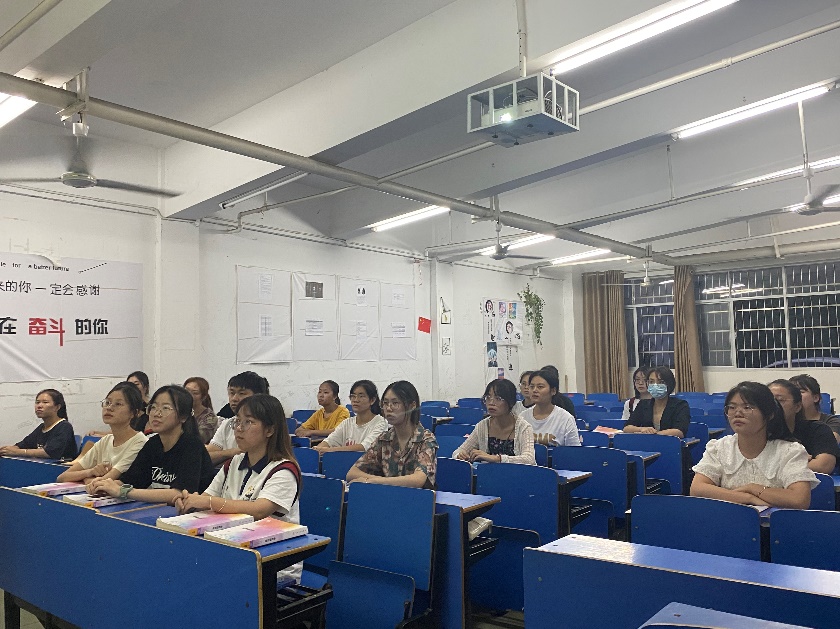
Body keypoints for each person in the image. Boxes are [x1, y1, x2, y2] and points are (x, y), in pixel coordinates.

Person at [175, 394, 302, 583]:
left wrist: (207, 502)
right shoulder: (234, 462)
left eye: (248, 422)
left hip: (272, 564)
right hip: (233, 550)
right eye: (237, 422)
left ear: (270, 430)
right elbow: (207, 497)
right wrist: (190, 502)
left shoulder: (283, 470)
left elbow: (259, 510)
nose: (239, 429)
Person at [691, 381, 816, 509]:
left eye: (747, 407)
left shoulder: (790, 451)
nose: (737, 413)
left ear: (769, 415)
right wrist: (747, 498)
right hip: (729, 519)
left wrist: (754, 489)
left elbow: (799, 499)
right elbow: (697, 489)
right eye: (732, 407)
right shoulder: (719, 447)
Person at [88, 385, 215, 504]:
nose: (157, 413)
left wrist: (124, 491)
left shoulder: (192, 446)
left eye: (165, 408)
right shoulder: (153, 444)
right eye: (153, 407)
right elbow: (131, 481)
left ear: (183, 417)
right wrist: (104, 485)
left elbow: (179, 493)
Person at [347, 380, 438, 488]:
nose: (388, 408)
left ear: (412, 406)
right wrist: (379, 481)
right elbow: (352, 473)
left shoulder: (426, 439)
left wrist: (373, 481)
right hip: (387, 496)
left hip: (415, 497)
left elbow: (418, 480)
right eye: (385, 403)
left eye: (395, 403)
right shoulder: (383, 439)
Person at [57, 382, 148, 483]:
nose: (109, 408)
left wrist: (86, 479)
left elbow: (102, 482)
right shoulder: (105, 441)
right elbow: (62, 477)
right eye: (107, 402)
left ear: (134, 413)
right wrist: (90, 472)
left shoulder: (140, 442)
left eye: (118, 404)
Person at [453, 379, 535, 464]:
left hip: (515, 472)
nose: (491, 403)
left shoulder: (523, 427)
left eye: (498, 398)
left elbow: (529, 459)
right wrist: (460, 456)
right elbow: (458, 452)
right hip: (488, 472)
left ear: (511, 402)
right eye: (488, 398)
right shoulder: (483, 426)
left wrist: (496, 458)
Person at [768, 379, 839, 474]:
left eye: (780, 400)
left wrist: (773, 465)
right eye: (768, 401)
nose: (773, 405)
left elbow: (823, 466)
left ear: (797, 406)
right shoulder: (759, 431)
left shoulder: (818, 429)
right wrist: (798, 461)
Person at [207, 371, 270, 465]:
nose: (234, 398)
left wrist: (222, 454)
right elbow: (206, 457)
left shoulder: (265, 424)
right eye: (231, 393)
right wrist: (231, 452)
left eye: (242, 393)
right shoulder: (228, 423)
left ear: (258, 396)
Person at [0, 389, 77, 460]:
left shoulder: (64, 427)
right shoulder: (42, 427)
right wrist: (7, 450)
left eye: (45, 402)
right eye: (37, 402)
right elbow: (24, 444)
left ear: (57, 407)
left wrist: (17, 452)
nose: (39, 406)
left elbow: (50, 453)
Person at [314, 380, 388, 453]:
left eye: (361, 396)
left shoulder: (380, 423)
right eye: (353, 396)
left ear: (372, 400)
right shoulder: (347, 423)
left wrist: (329, 450)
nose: (356, 400)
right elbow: (329, 441)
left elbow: (365, 447)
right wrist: (318, 449)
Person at [624, 367, 689, 438]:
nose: (655, 385)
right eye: (651, 382)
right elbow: (627, 428)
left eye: (660, 382)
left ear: (669, 384)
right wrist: (642, 429)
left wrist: (655, 435)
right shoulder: (643, 404)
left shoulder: (680, 405)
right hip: (646, 443)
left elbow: (679, 431)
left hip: (670, 443)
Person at [520, 370, 580, 446]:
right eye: (532, 386)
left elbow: (574, 450)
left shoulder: (565, 419)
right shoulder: (523, 417)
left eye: (540, 387)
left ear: (553, 391)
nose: (534, 390)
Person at [789, 374, 840, 444]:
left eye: (801, 392)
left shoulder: (831, 421)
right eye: (792, 393)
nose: (795, 396)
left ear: (815, 398)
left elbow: (829, 443)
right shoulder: (786, 420)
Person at [184, 377, 218, 445]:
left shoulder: (210, 418)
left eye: (195, 393)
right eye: (186, 391)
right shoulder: (177, 411)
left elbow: (196, 440)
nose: (188, 395)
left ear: (204, 397)